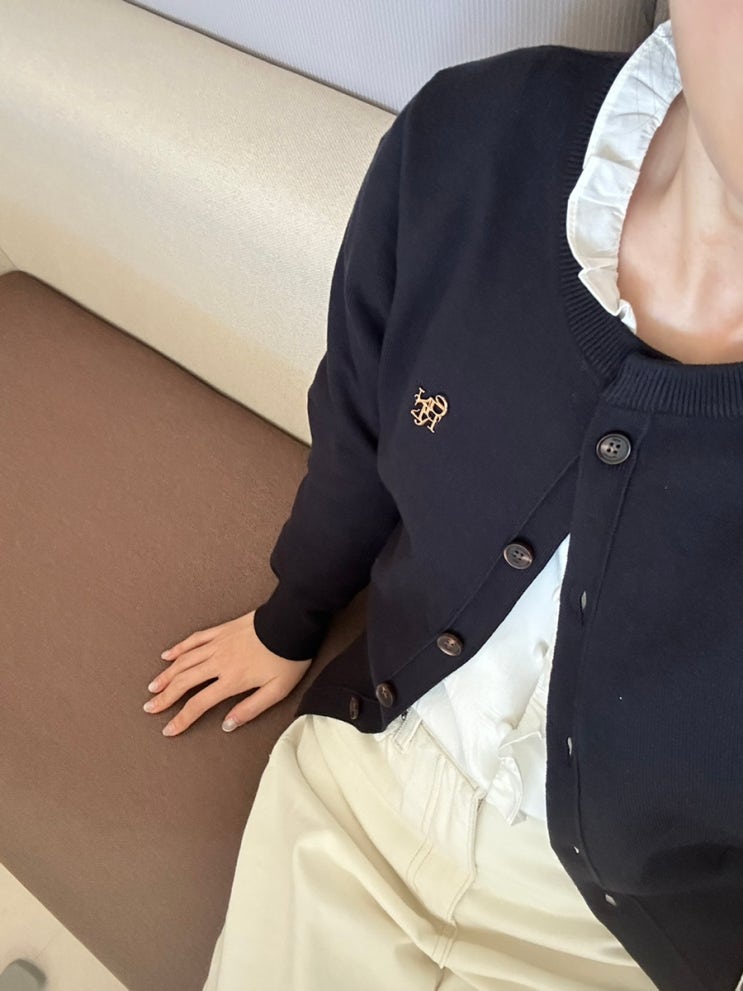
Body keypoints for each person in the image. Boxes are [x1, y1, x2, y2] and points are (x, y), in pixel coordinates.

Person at [144, 3, 743, 989]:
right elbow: (357, 427)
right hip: (359, 789)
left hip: (624, 939)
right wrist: (288, 619)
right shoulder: (471, 141)